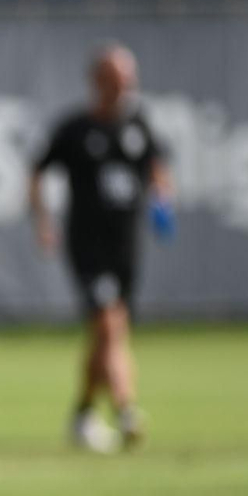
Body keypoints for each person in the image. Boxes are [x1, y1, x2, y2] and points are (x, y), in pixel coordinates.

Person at [29, 43, 174, 451]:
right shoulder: (75, 129)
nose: (125, 87)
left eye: (129, 79)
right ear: (98, 81)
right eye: (117, 79)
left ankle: (82, 415)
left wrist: (163, 202)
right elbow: (36, 172)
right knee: (110, 326)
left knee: (107, 333)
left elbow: (159, 170)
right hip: (87, 245)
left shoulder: (139, 126)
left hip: (126, 246)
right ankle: (126, 411)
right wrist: (43, 222)